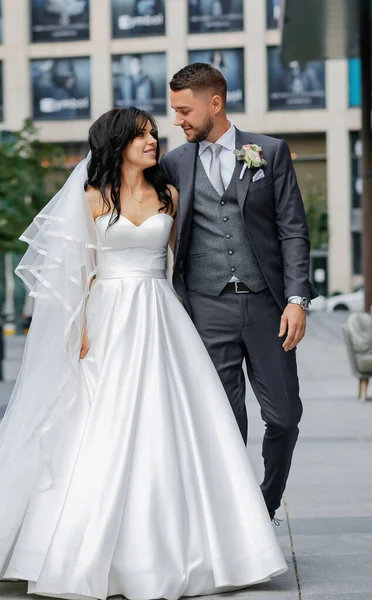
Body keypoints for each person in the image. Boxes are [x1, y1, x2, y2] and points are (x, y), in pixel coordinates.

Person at [0, 107, 286, 600]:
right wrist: (77, 327)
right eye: (141, 136)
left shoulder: (170, 195)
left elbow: (177, 263)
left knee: (173, 421)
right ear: (116, 144)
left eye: (153, 135)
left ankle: (205, 547)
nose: (152, 142)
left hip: (162, 315)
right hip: (107, 317)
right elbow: (78, 270)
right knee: (100, 422)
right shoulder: (91, 198)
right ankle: (70, 549)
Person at [161, 62, 318, 521]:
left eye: (185, 110)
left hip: (269, 308)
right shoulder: (172, 163)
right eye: (174, 111)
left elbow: (293, 231)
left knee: (285, 417)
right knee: (226, 425)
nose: (178, 120)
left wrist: (296, 299)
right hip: (206, 309)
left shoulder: (269, 151)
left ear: (216, 103)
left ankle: (266, 500)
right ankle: (237, 523)